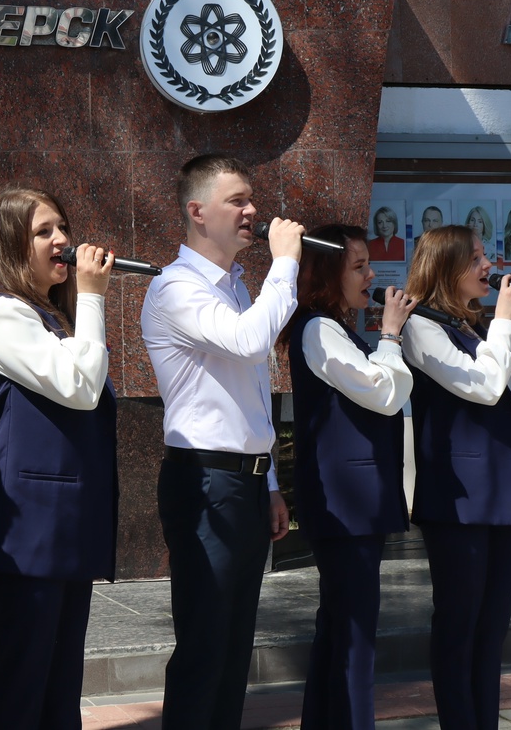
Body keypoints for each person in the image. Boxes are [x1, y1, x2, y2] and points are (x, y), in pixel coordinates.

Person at [141, 153, 302, 730]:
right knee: (207, 644)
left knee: (235, 648)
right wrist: (285, 264)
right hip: (205, 480)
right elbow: (251, 344)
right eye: (237, 200)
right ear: (197, 211)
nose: (253, 211)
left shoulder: (236, 286)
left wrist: (272, 481)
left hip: (246, 481)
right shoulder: (175, 288)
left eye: (251, 199)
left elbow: (253, 393)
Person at [0, 186, 119, 730]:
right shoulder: (2, 315)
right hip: (27, 529)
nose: (63, 241)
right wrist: (94, 296)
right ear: (11, 245)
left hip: (62, 527)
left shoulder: (48, 316)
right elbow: (81, 386)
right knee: (23, 681)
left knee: (58, 684)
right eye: (43, 232)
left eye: (62, 228)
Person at [280, 224, 416, 730]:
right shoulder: (318, 329)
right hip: (345, 502)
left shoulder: (337, 329)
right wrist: (390, 335)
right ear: (325, 274)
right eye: (358, 266)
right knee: (355, 631)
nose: (372, 275)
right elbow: (384, 393)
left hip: (356, 499)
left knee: (339, 627)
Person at [401, 225, 511, 730]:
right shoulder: (421, 326)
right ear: (446, 267)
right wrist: (503, 324)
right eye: (475, 257)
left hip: (501, 495)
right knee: (460, 622)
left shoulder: (473, 324)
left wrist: (494, 327)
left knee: (492, 626)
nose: (488, 265)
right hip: (459, 500)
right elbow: (482, 387)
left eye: (484, 254)